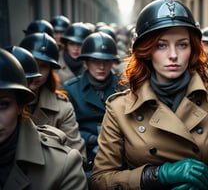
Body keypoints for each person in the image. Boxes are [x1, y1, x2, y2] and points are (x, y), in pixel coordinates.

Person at [89, 0, 208, 190]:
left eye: (182, 44)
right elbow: (99, 180)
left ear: (192, 49)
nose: (173, 55)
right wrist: (155, 176)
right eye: (161, 45)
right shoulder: (120, 108)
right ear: (146, 51)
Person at [0, 48, 87, 189]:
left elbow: (78, 153)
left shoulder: (62, 163)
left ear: (20, 105)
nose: (37, 73)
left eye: (3, 104)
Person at [64, 32, 123, 177]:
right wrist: (90, 138)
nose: (101, 66)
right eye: (95, 61)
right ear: (86, 62)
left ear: (112, 62)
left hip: (119, 152)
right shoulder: (71, 89)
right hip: (84, 152)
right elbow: (66, 128)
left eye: (106, 61)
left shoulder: (123, 88)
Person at [19, 32, 86, 158]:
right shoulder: (5, 102)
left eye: (43, 66)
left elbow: (78, 155)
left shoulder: (62, 108)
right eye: (32, 63)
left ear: (50, 70)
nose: (37, 72)